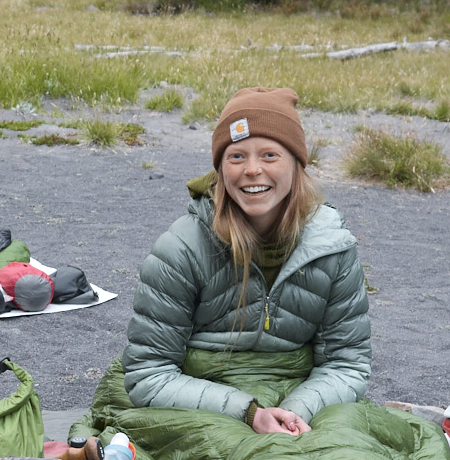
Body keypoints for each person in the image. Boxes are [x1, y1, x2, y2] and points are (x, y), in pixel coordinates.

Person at [122, 87, 370, 435]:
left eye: (270, 155)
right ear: (220, 168)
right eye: (237, 157)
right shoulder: (181, 249)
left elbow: (347, 365)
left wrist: (295, 411)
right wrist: (249, 413)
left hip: (301, 399)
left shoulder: (332, 247)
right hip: (202, 403)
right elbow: (148, 375)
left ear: (297, 164)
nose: (252, 170)